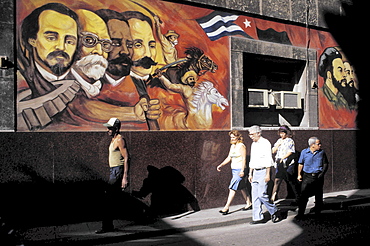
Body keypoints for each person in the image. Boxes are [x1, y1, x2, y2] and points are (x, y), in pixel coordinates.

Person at [97, 117, 129, 233]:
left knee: (108, 199)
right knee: (112, 199)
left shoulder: (120, 139)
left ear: (116, 128)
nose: (107, 130)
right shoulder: (113, 139)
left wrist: (124, 177)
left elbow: (126, 158)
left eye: (110, 128)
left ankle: (107, 227)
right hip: (113, 170)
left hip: (118, 170)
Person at [248, 125, 281, 224]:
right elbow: (252, 159)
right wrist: (250, 173)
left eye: (252, 134)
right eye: (249, 134)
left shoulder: (265, 143)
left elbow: (268, 159)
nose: (251, 136)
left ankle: (274, 211)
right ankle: (257, 217)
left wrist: (268, 174)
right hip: (255, 172)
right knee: (255, 196)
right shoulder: (253, 144)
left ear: (259, 133)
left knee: (262, 194)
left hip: (263, 171)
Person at [217, 130, 252, 215]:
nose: (232, 139)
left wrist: (242, 170)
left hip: (240, 169)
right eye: (231, 137)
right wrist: (221, 164)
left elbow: (244, 159)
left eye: (233, 137)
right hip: (234, 169)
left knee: (232, 188)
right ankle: (249, 203)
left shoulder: (241, 146)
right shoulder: (232, 146)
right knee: (242, 187)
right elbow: (229, 157)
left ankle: (226, 207)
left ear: (238, 137)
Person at [295, 137, 328, 220]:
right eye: (318, 144)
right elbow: (300, 164)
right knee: (304, 195)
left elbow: (325, 163)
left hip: (318, 176)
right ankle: (301, 214)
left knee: (318, 195)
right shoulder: (304, 152)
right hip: (307, 176)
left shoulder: (321, 152)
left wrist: (322, 173)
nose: (320, 145)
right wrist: (299, 174)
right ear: (312, 145)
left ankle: (318, 213)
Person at [271, 125, 299, 203]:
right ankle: (273, 196)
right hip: (279, 164)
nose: (282, 135)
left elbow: (291, 151)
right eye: (280, 133)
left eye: (283, 133)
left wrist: (283, 158)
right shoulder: (279, 141)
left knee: (290, 180)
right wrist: (276, 146)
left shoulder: (290, 141)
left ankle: (295, 196)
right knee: (277, 179)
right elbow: (273, 151)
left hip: (288, 163)